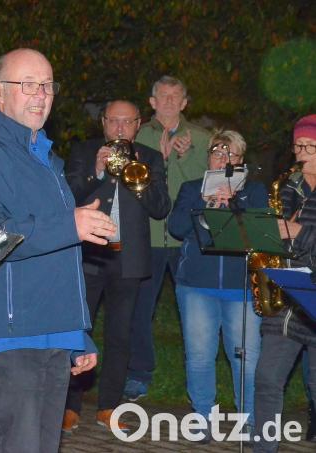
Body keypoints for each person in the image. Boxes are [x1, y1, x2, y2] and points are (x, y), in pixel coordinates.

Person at [0, 48, 107, 453]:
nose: (41, 94)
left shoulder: (47, 161)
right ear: (0, 92)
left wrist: (78, 333)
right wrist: (68, 224)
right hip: (8, 333)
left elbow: (62, 257)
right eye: (29, 84)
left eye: (48, 85)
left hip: (52, 332)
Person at [63, 100, 170, 433]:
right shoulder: (83, 151)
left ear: (138, 124)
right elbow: (67, 196)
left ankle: (108, 406)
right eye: (113, 121)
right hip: (89, 256)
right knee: (78, 331)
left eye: (127, 122)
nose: (120, 128)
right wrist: (96, 171)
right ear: (103, 123)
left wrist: (141, 175)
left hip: (129, 258)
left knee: (120, 335)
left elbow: (161, 208)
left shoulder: (150, 157)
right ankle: (70, 406)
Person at [169, 130, 267, 442]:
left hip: (241, 288)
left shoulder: (254, 192)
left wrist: (235, 205)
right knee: (199, 355)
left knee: (246, 357)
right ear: (209, 157)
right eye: (217, 152)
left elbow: (261, 237)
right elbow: (176, 227)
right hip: (197, 285)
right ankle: (202, 418)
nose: (223, 159)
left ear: (241, 162)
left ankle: (249, 420)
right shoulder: (190, 189)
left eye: (231, 154)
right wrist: (204, 206)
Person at [125, 75, 212, 400]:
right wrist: (158, 159)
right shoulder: (137, 136)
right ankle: (139, 373)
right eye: (163, 96)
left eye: (176, 96)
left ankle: (198, 379)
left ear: (185, 102)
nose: (170, 102)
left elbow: (207, 188)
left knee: (194, 312)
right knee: (139, 309)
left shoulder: (202, 139)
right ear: (152, 102)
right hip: (145, 237)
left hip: (185, 239)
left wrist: (183, 157)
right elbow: (132, 186)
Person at [254, 114, 316, 452]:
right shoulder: (287, 187)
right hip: (286, 297)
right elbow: (272, 236)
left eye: (310, 146)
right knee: (266, 380)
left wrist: (298, 232)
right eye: (298, 146)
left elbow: (299, 235)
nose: (302, 153)